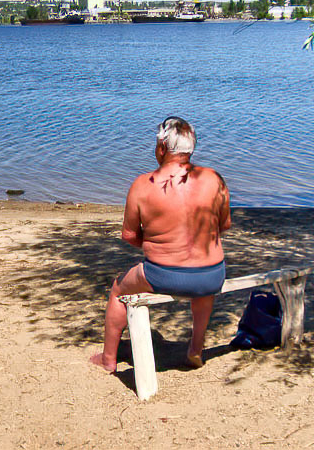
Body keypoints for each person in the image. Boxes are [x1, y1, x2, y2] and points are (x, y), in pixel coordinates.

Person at [90, 116, 231, 372]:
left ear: (162, 148)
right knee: (203, 290)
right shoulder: (214, 179)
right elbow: (224, 225)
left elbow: (129, 236)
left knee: (118, 291)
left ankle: (108, 359)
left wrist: (156, 243)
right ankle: (195, 349)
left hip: (165, 275)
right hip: (212, 274)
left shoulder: (143, 186)